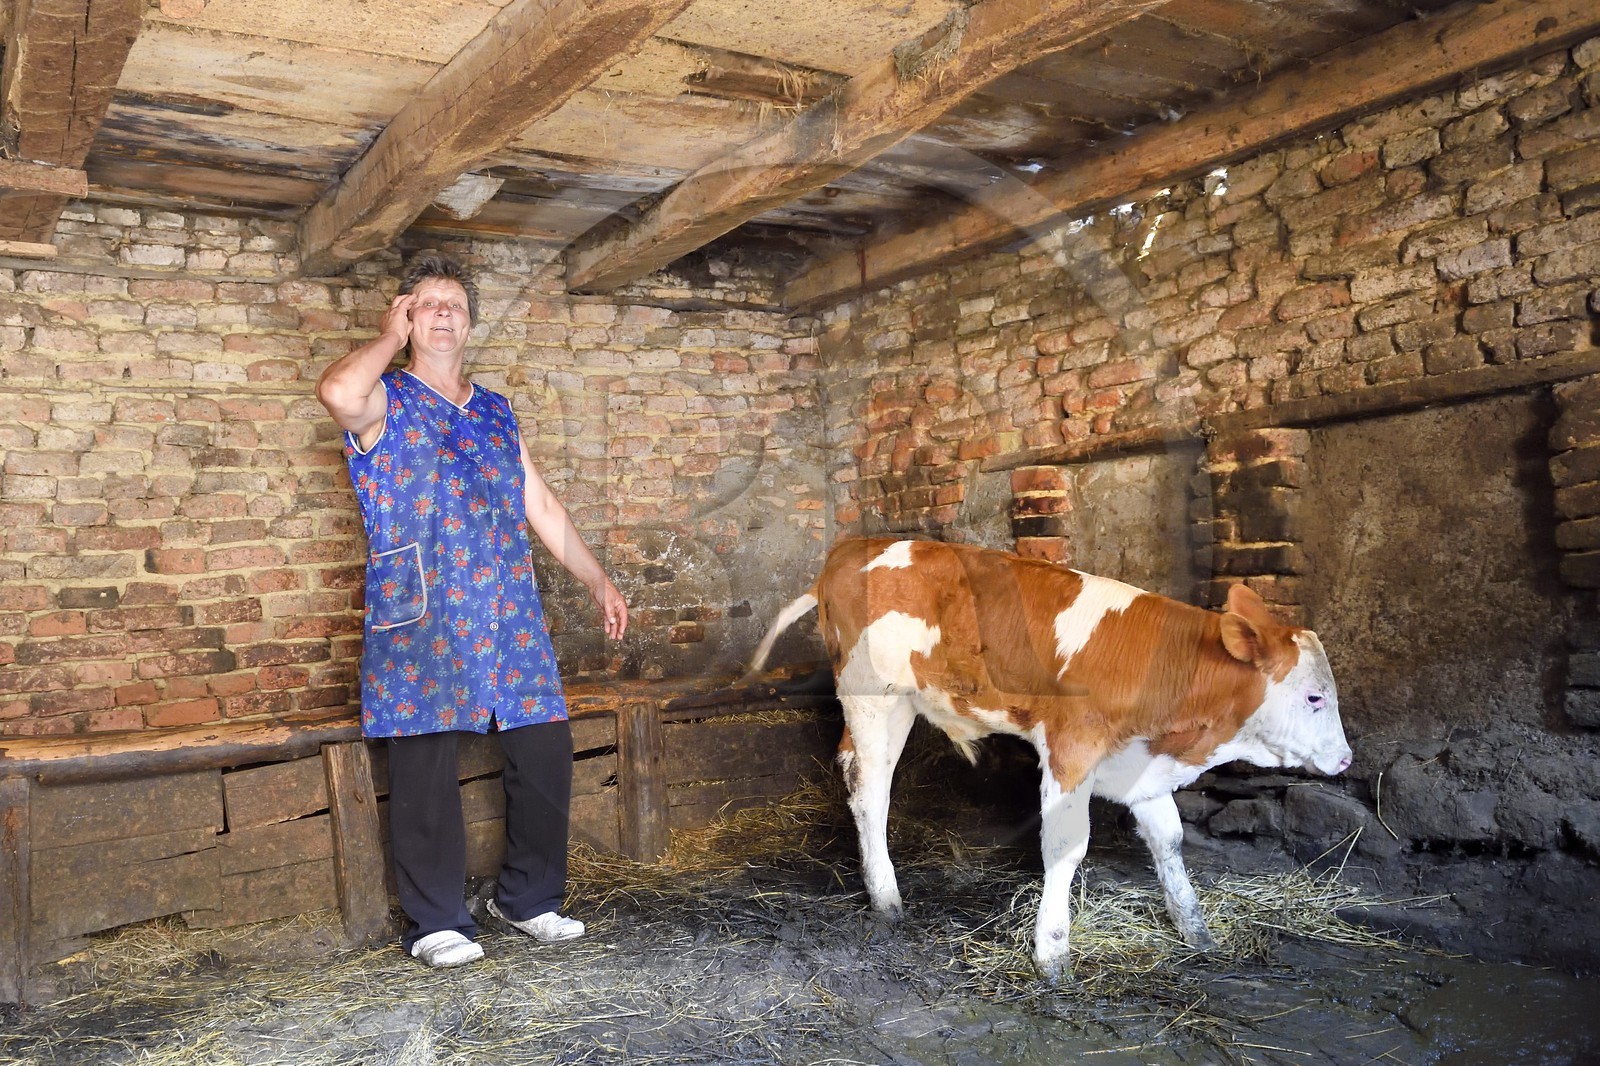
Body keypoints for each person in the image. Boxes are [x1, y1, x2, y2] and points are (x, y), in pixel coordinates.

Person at [316, 252, 628, 968]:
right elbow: (335, 390)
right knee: (424, 757)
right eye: (427, 303)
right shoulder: (384, 399)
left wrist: (595, 578)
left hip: (507, 608)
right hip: (423, 608)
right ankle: (435, 922)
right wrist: (389, 338)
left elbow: (538, 502)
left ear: (469, 322)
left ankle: (528, 899)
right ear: (405, 316)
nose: (443, 314)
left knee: (544, 745)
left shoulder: (495, 409)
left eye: (454, 304)